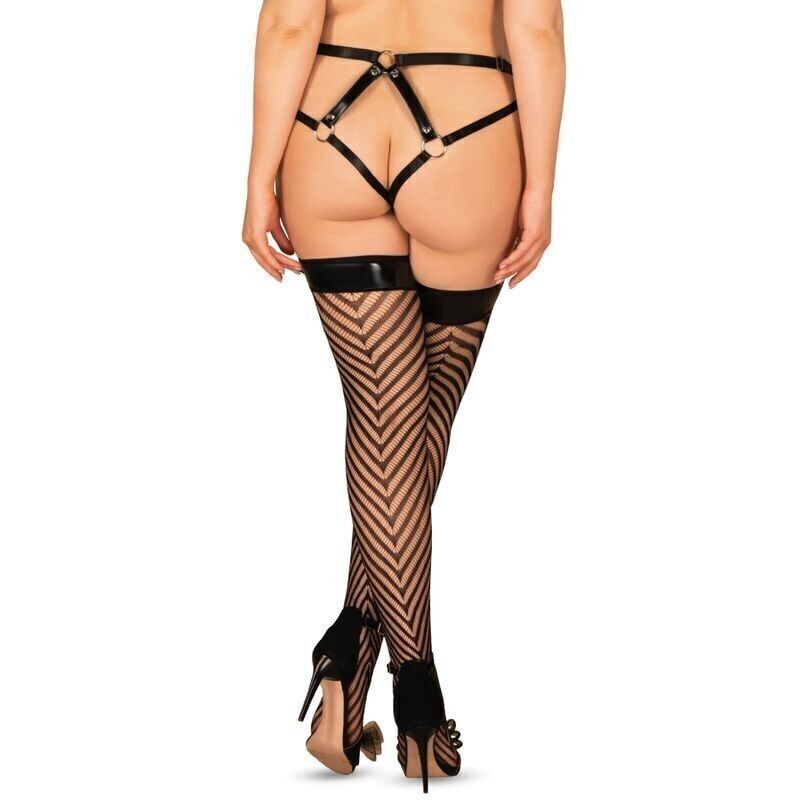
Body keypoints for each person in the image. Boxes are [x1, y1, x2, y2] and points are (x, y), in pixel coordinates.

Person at [242, 0, 565, 791]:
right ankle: (418, 701)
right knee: (420, 427)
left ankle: (351, 659)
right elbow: (536, 31)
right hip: (471, 135)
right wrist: (541, 188)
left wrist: (257, 180)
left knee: (388, 423)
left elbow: (289, 26)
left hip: (330, 133)